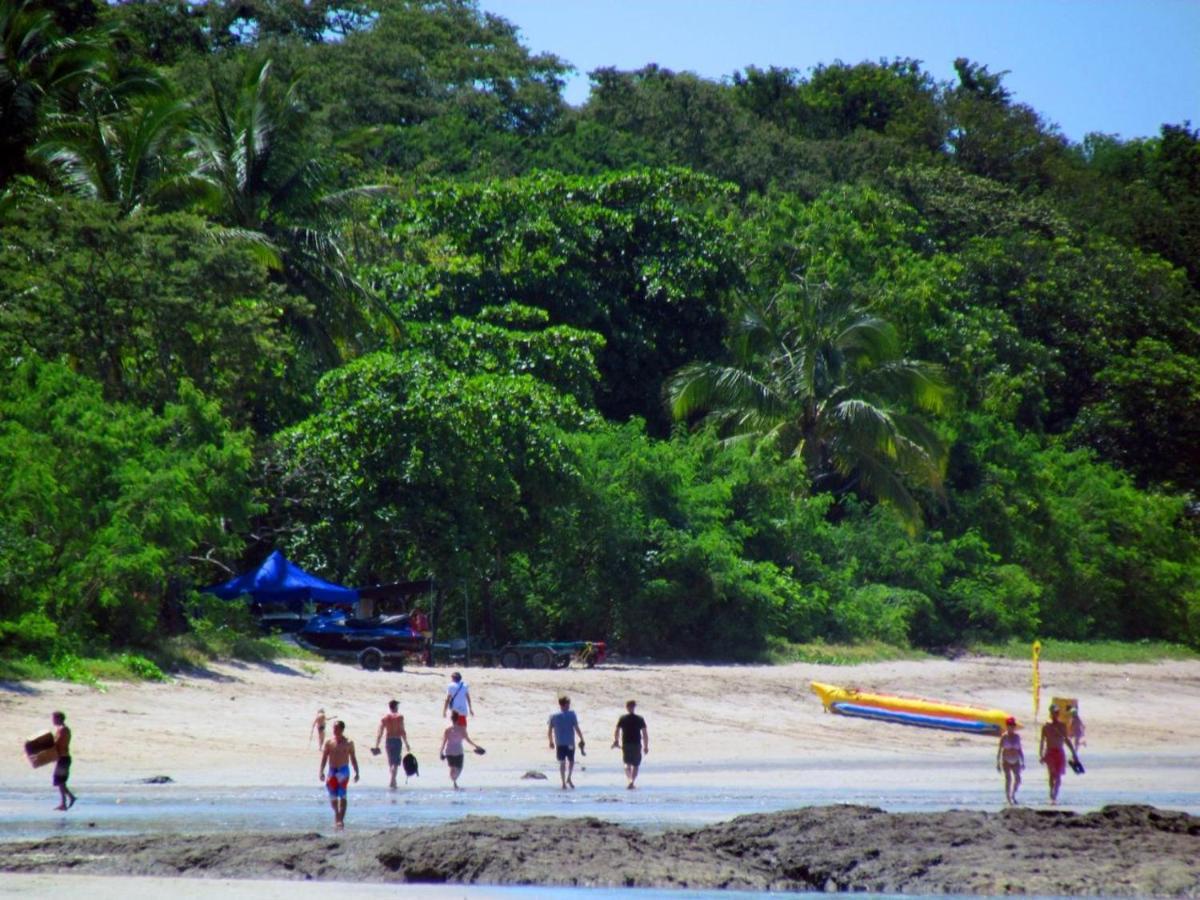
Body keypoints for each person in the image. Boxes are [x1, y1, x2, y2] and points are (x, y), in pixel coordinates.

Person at [319, 720, 360, 830]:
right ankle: (337, 814)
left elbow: (353, 758)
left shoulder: (349, 743)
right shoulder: (329, 742)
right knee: (332, 794)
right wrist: (321, 771)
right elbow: (324, 757)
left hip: (343, 770)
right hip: (332, 770)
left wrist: (357, 772)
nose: (334, 730)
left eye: (336, 728)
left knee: (342, 794)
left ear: (342, 729)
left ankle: (340, 820)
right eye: (333, 728)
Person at [1038, 704, 1077, 805]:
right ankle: (1051, 791)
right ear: (1051, 713)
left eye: (1057, 712)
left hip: (1060, 752)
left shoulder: (1062, 726)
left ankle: (1054, 796)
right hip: (1050, 752)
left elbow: (1066, 740)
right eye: (1054, 712)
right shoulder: (1046, 726)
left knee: (1058, 776)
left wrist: (1073, 753)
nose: (1056, 714)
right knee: (1052, 773)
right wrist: (1041, 755)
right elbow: (1042, 741)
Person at [547, 695, 586, 790]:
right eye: (568, 704)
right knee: (569, 761)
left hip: (561, 743)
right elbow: (576, 728)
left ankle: (565, 781)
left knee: (565, 762)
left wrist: (551, 741)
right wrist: (581, 738)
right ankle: (566, 780)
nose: (569, 706)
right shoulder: (571, 714)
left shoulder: (554, 715)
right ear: (564, 704)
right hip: (568, 743)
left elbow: (549, 730)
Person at [439, 711, 483, 790]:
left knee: (452, 767)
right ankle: (454, 777)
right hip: (458, 752)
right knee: (459, 768)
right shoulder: (462, 729)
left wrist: (441, 752)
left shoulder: (447, 730)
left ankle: (454, 781)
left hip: (449, 752)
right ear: (458, 719)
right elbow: (468, 740)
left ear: (452, 720)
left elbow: (444, 742)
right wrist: (476, 746)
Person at [374, 700, 411, 789]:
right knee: (395, 763)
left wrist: (377, 745)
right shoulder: (400, 717)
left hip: (388, 740)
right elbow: (402, 731)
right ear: (396, 707)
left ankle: (393, 782)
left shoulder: (385, 718)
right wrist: (406, 743)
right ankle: (392, 780)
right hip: (397, 740)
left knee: (391, 762)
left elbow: (380, 732)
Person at [612, 700, 648, 790]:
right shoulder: (639, 719)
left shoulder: (623, 718)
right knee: (635, 765)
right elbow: (645, 733)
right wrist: (646, 746)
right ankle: (632, 781)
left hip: (626, 743)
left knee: (626, 763)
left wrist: (616, 740)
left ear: (627, 707)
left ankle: (630, 780)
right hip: (636, 744)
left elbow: (617, 730)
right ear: (634, 707)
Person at [995, 715, 1025, 805]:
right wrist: (998, 763)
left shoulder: (1017, 737)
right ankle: (1008, 798)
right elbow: (1000, 750)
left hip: (1016, 760)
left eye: (1013, 725)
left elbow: (1020, 750)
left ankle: (1013, 795)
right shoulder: (1004, 737)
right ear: (1007, 726)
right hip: (1006, 760)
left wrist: (1023, 761)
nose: (1012, 727)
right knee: (1008, 779)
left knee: (1018, 779)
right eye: (1010, 725)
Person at [51, 711, 76, 811]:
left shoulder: (63, 730)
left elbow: (58, 743)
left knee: (60, 781)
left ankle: (64, 803)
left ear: (59, 719)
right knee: (60, 781)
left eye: (54, 719)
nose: (53, 721)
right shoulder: (60, 729)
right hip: (62, 758)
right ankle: (70, 798)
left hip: (64, 758)